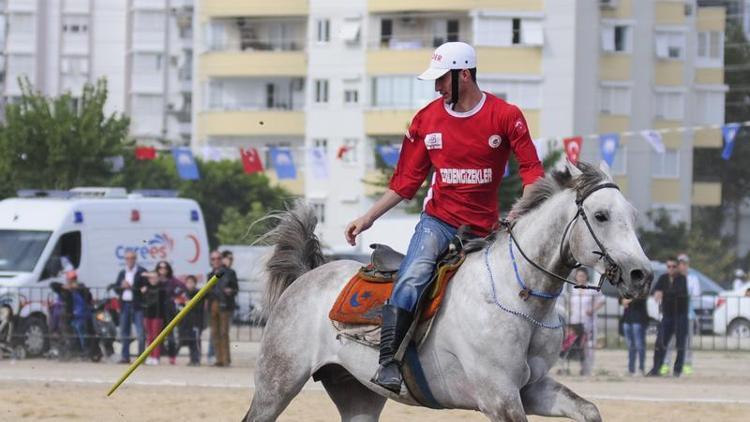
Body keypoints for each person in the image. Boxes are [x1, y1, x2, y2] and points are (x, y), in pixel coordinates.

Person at [344, 41, 544, 392]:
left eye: (442, 80)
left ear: (463, 74)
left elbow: (533, 174)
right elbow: (405, 183)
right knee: (414, 275)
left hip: (486, 228)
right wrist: (367, 218)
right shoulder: (426, 120)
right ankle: (388, 362)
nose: (437, 88)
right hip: (438, 222)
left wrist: (519, 214)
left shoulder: (506, 116)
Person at [647, 257, 689, 377]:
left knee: (680, 345)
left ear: (677, 267)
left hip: (680, 315)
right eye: (669, 266)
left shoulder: (682, 279)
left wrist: (663, 292)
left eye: (673, 266)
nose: (671, 269)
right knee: (660, 342)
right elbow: (655, 290)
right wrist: (657, 292)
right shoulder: (663, 278)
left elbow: (679, 292)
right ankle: (656, 369)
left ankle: (677, 370)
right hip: (667, 315)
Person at [110, 251, 148, 364]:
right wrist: (121, 286)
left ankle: (141, 357)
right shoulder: (122, 272)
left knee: (140, 332)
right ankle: (125, 357)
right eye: (127, 258)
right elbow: (116, 288)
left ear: (135, 259)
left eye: (132, 258)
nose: (129, 260)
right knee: (124, 332)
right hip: (125, 304)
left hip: (137, 305)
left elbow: (146, 288)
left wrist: (132, 287)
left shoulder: (141, 271)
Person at [567, 269, 604, 376]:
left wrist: (592, 309)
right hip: (575, 321)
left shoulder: (592, 288)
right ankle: (580, 366)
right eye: (579, 276)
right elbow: (570, 303)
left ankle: (587, 368)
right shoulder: (573, 289)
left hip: (588, 321)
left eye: (583, 276)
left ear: (586, 276)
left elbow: (602, 301)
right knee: (576, 345)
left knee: (588, 345)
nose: (581, 278)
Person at [50, 272, 94, 360]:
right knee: (67, 331)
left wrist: (77, 288)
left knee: (80, 329)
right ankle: (70, 352)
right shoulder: (65, 290)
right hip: (69, 316)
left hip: (82, 316)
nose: (72, 281)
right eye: (70, 279)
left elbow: (88, 296)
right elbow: (52, 285)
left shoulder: (81, 288)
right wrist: (63, 286)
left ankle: (85, 351)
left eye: (73, 279)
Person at [207, 250, 238, 367]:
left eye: (218, 258)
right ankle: (218, 359)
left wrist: (230, 291)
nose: (216, 261)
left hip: (225, 305)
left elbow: (236, 289)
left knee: (224, 333)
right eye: (213, 259)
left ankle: (226, 360)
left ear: (222, 259)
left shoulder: (230, 273)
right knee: (214, 333)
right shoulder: (210, 274)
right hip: (213, 305)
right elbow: (208, 292)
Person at [155, 261, 186, 365]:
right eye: (160, 268)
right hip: (157, 310)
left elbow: (182, 287)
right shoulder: (156, 280)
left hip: (169, 310)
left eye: (165, 268)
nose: (162, 270)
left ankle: (172, 357)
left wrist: (174, 297)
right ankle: (156, 356)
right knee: (157, 335)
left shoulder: (172, 281)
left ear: (168, 269)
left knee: (170, 335)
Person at [140, 272, 167, 365]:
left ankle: (156, 357)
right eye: (151, 278)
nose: (153, 279)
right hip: (147, 314)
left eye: (155, 277)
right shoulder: (145, 288)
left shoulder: (161, 288)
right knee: (149, 336)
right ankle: (150, 356)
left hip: (157, 315)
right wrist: (146, 276)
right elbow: (140, 279)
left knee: (156, 337)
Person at [177, 275, 204, 366]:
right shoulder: (184, 293)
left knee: (196, 341)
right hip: (187, 321)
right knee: (190, 341)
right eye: (188, 282)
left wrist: (191, 303)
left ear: (195, 283)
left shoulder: (199, 293)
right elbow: (180, 305)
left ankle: (197, 359)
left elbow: (199, 307)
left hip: (196, 321)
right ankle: (192, 359)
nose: (189, 284)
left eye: (191, 282)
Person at [620, 296, 648, 376]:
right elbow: (620, 298)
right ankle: (631, 369)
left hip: (638, 319)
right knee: (630, 346)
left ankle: (641, 368)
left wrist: (628, 300)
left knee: (639, 345)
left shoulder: (641, 285)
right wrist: (623, 301)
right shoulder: (625, 286)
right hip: (627, 319)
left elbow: (642, 297)